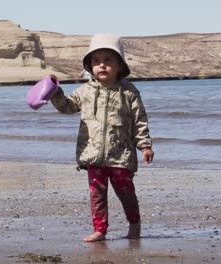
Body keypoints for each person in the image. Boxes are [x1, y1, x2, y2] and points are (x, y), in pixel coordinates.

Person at [50, 33, 154, 242]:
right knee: (97, 195)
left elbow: (139, 120)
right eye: (96, 61)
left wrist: (145, 146)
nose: (102, 65)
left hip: (121, 155)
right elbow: (68, 107)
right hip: (93, 153)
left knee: (126, 193)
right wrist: (55, 94)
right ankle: (100, 229)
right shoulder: (86, 90)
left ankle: (134, 224)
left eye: (108, 60)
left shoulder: (129, 92)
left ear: (119, 65)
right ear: (90, 67)